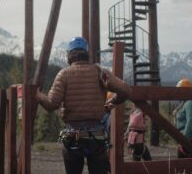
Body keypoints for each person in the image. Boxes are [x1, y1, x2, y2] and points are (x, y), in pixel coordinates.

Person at [36, 37, 131, 174]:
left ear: (70, 55)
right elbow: (126, 91)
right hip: (97, 135)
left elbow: (51, 104)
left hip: (73, 136)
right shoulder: (100, 72)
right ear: (86, 54)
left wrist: (38, 95)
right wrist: (113, 101)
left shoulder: (64, 74)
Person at [173, 78, 192, 158]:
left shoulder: (190, 103)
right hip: (187, 137)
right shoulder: (185, 102)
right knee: (186, 164)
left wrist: (184, 138)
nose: (178, 93)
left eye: (180, 91)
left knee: (184, 164)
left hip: (189, 138)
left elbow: (190, 121)